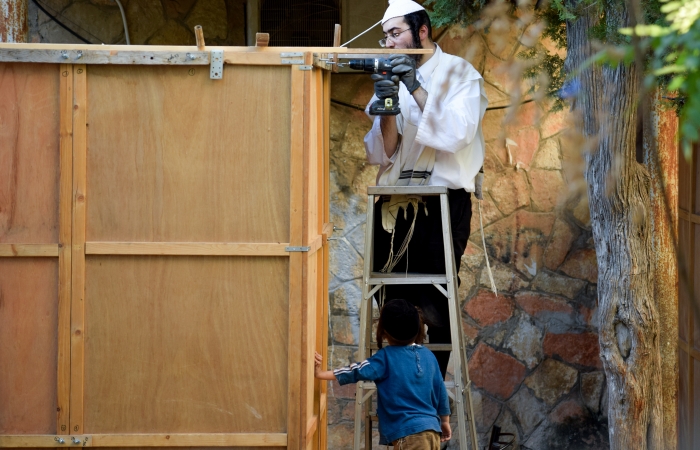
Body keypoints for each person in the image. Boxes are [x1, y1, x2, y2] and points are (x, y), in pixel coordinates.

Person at [363, 0, 488, 379]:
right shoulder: (392, 73)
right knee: (392, 305)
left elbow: (456, 133)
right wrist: (386, 105)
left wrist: (414, 87)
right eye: (386, 36)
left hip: (442, 204)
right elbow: (383, 152)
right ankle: (397, 392)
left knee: (433, 304)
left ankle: (431, 400)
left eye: (396, 33)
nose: (389, 43)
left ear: (422, 31)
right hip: (394, 206)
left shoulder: (460, 74)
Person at [314, 299, 451, 449]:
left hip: (409, 434)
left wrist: (320, 374)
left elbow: (356, 370)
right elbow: (441, 391)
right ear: (418, 328)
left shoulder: (385, 358)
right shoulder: (428, 355)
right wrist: (444, 421)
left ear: (384, 332)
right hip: (432, 430)